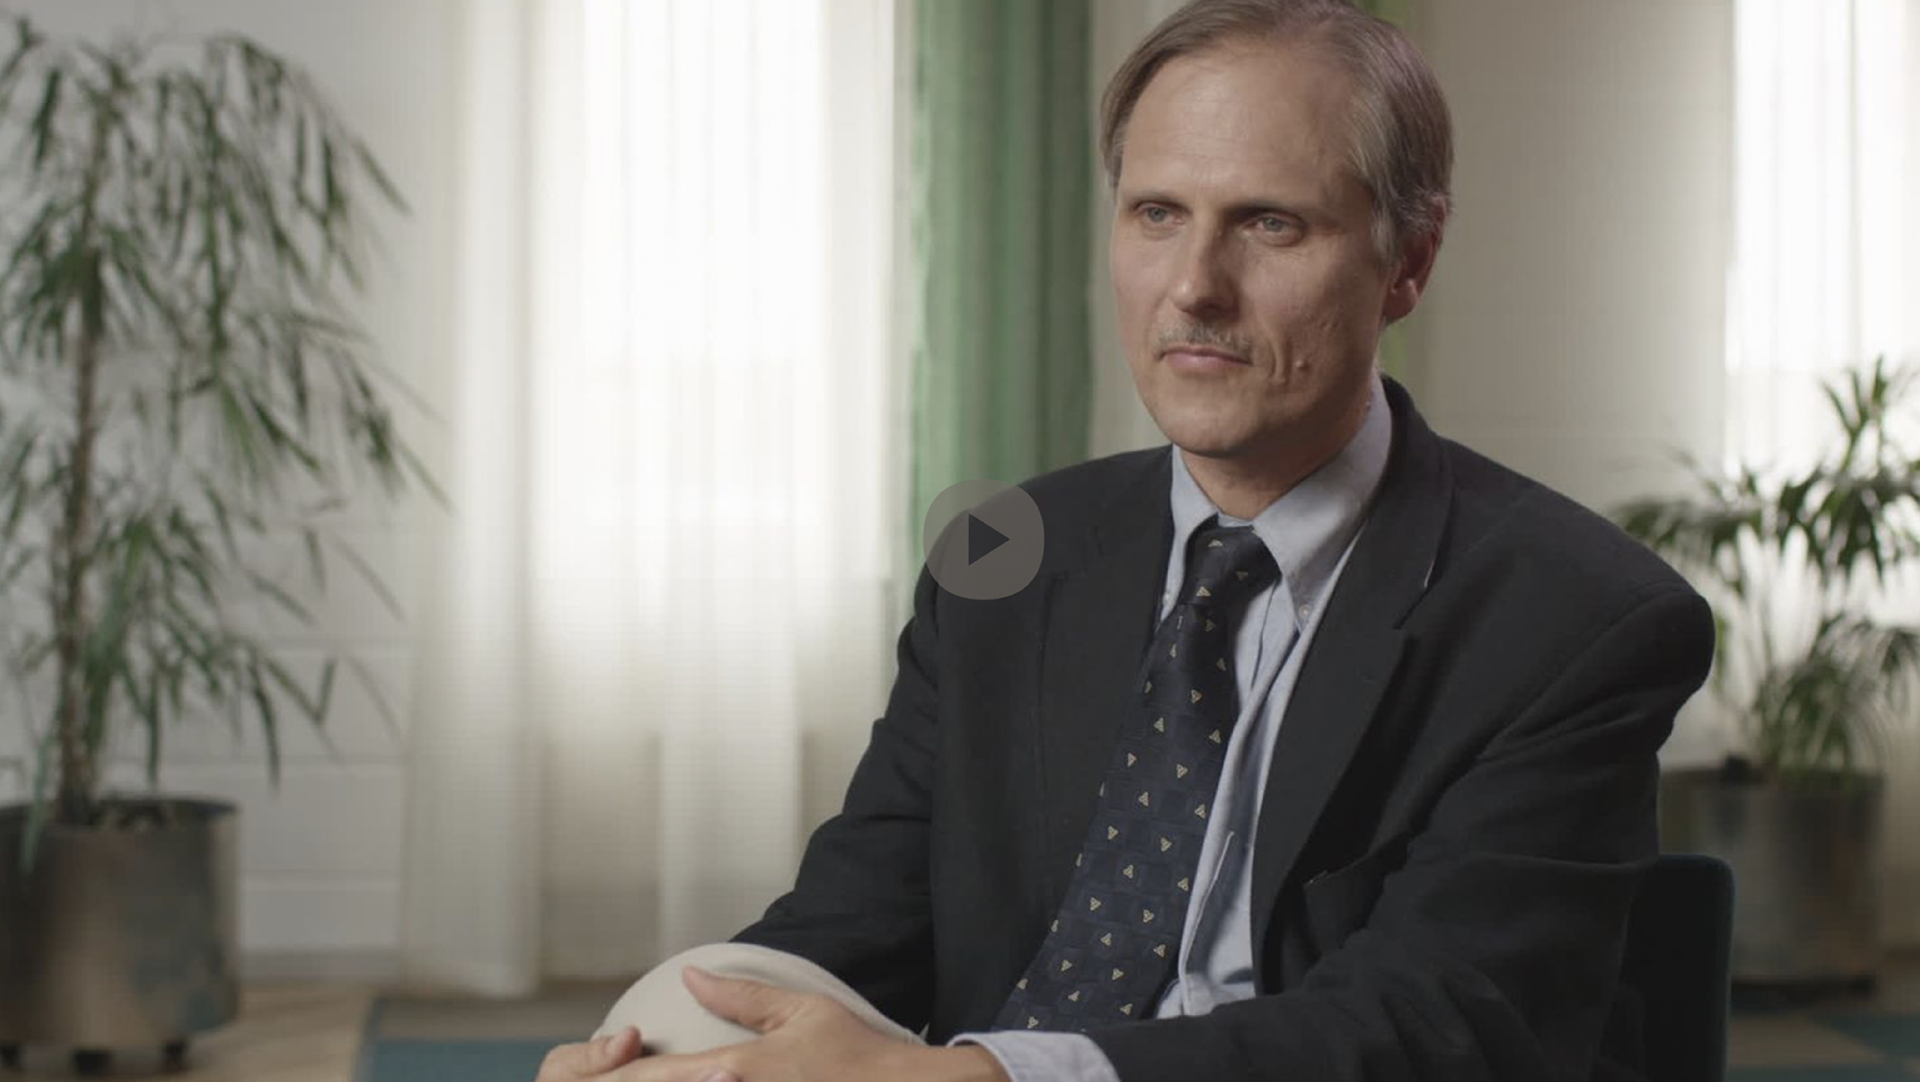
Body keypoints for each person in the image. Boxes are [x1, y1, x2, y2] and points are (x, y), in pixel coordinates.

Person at [537, 0, 1714, 1079]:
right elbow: (860, 919)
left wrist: (988, 1077)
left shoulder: (1572, 618)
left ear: (1406, 259)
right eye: (1158, 214)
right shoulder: (1005, 550)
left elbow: (1436, 1024)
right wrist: (660, 1044)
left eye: (1268, 222)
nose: (1194, 287)